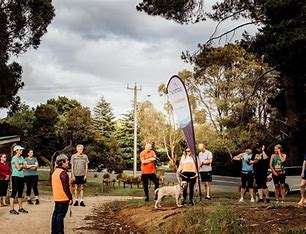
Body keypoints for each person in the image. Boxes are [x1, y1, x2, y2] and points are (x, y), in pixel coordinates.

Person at [51, 154, 73, 234]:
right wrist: (70, 197)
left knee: (55, 215)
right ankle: (59, 232)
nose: (68, 162)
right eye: (67, 161)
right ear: (62, 162)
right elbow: (66, 187)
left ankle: (54, 232)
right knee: (60, 217)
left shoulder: (55, 172)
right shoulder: (63, 173)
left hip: (57, 197)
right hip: (63, 198)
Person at [10, 145, 28, 214]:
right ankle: (12, 209)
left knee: (20, 192)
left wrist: (22, 165)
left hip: (21, 176)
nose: (21, 151)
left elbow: (25, 166)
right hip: (15, 176)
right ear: (16, 151)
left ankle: (20, 208)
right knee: (14, 192)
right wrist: (23, 165)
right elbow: (18, 168)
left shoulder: (22, 157)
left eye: (21, 150)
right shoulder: (14, 158)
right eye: (20, 150)